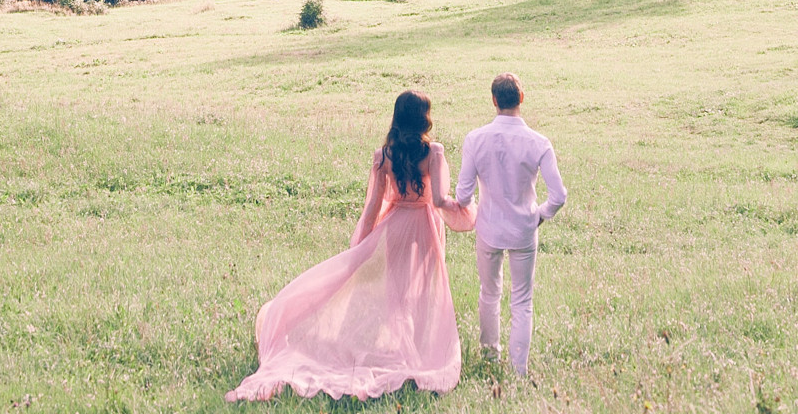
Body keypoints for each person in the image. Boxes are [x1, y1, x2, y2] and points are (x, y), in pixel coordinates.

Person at [225, 90, 476, 402]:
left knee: (394, 291)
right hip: (424, 228)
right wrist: (468, 210)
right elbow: (438, 200)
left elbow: (373, 206)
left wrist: (360, 245)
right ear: (424, 118)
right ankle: (417, 352)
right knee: (423, 291)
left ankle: (399, 348)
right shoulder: (433, 152)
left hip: (394, 226)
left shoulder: (385, 155)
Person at [455, 73, 567, 376]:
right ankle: (519, 369)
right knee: (522, 300)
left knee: (489, 293)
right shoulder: (539, 143)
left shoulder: (475, 139)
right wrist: (540, 214)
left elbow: (463, 195)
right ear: (522, 98)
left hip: (489, 227)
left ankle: (490, 356)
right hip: (524, 229)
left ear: (493, 100)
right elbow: (558, 196)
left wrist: (477, 206)